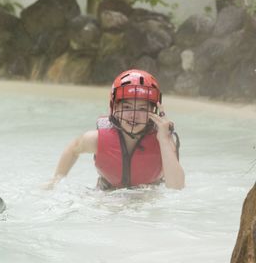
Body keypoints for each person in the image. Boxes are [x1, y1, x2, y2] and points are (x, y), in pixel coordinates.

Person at [48, 69, 185, 190]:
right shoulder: (95, 139)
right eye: (127, 107)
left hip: (148, 195)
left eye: (142, 109)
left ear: (153, 112)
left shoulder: (163, 141)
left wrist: (164, 140)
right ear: (115, 108)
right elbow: (72, 150)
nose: (134, 115)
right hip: (107, 193)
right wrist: (56, 180)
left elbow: (177, 187)